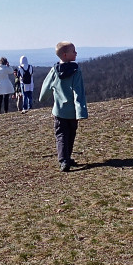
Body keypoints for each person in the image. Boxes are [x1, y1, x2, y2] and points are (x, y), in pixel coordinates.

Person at [39, 41, 88, 171]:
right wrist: (81, 112)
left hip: (59, 111)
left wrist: (42, 98)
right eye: (74, 51)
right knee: (71, 134)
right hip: (72, 111)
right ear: (66, 55)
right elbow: (78, 92)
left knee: (61, 135)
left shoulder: (54, 70)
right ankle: (67, 158)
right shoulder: (76, 70)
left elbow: (46, 87)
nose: (76, 53)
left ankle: (64, 160)